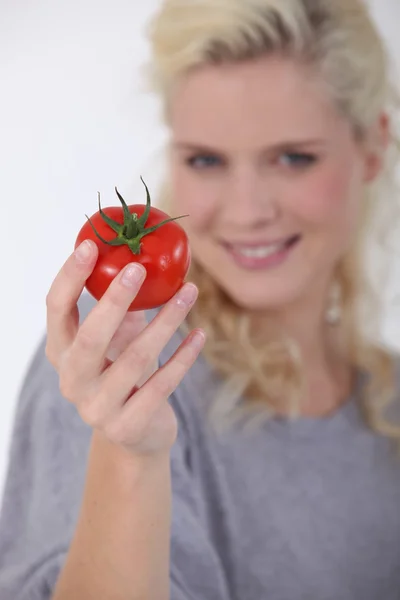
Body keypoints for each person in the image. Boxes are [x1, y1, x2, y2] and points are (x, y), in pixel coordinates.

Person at [1, 0, 400, 598]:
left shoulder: (388, 399)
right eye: (206, 160)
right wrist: (129, 455)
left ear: (373, 147)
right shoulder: (125, 357)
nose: (246, 210)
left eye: (294, 158)